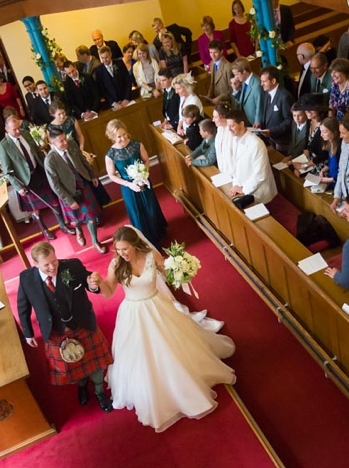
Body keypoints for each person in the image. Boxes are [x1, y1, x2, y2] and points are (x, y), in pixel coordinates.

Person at [91, 226, 235, 432]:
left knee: (173, 346)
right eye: (119, 249)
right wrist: (97, 285)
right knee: (144, 356)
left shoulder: (151, 256)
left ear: (135, 244)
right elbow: (109, 291)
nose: (122, 253)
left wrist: (180, 268)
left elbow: (168, 276)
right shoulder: (116, 264)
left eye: (125, 249)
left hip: (157, 306)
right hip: (133, 314)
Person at [17, 242, 113, 412]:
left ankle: (99, 392)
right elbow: (23, 306)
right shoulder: (26, 278)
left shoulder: (73, 266)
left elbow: (90, 281)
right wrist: (28, 333)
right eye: (46, 264)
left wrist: (93, 285)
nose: (52, 267)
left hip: (82, 324)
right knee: (72, 366)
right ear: (35, 263)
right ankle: (82, 385)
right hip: (55, 331)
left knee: (96, 363)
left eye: (54, 261)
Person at [0, 115, 73, 240]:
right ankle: (44, 229)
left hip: (39, 172)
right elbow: (7, 171)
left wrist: (48, 167)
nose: (18, 131)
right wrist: (18, 187)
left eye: (18, 128)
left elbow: (37, 152)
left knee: (54, 200)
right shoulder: (4, 146)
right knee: (35, 210)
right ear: (6, 129)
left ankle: (63, 225)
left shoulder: (26, 134)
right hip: (25, 181)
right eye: (14, 130)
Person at [44, 128, 107, 253]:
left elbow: (83, 160)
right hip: (68, 192)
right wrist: (69, 200)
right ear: (52, 143)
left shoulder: (72, 144)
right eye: (61, 141)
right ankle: (79, 231)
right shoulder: (50, 160)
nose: (65, 143)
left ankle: (95, 242)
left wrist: (92, 175)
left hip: (83, 185)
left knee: (91, 216)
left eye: (65, 139)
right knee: (75, 219)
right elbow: (55, 185)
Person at [105, 119, 167, 245]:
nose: (122, 138)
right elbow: (111, 175)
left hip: (144, 181)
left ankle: (158, 233)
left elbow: (146, 160)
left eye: (124, 134)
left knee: (151, 207)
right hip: (129, 187)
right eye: (118, 137)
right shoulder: (110, 155)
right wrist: (129, 184)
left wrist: (144, 174)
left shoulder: (137, 145)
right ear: (112, 137)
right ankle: (144, 239)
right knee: (136, 211)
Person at [226, 110, 278, 205]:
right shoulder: (235, 139)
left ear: (241, 124)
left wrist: (244, 189)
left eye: (232, 126)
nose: (229, 129)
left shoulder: (256, 144)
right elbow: (235, 165)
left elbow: (260, 174)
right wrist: (236, 184)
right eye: (228, 126)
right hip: (241, 186)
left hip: (258, 192)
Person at [258, 66, 294, 152]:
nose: (261, 84)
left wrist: (272, 131)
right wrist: (260, 123)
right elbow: (267, 113)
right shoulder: (267, 93)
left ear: (273, 81)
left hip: (282, 142)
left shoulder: (284, 96)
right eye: (261, 81)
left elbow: (289, 121)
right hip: (271, 140)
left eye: (264, 81)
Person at [232, 58, 262, 126]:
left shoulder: (257, 85)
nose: (235, 77)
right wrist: (236, 90)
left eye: (236, 74)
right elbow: (242, 101)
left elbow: (259, 107)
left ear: (244, 71)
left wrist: (257, 126)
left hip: (255, 124)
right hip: (247, 122)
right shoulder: (244, 81)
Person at [317, 116, 341, 186]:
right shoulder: (330, 144)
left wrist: (330, 179)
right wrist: (323, 170)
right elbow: (331, 163)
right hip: (331, 180)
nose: (321, 135)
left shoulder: (340, 146)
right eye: (321, 131)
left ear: (334, 131)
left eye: (324, 132)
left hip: (337, 182)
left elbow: (342, 170)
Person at [213, 102, 235, 174]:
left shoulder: (233, 132)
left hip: (233, 173)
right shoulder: (220, 129)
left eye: (215, 117)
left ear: (224, 117)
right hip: (223, 171)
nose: (213, 120)